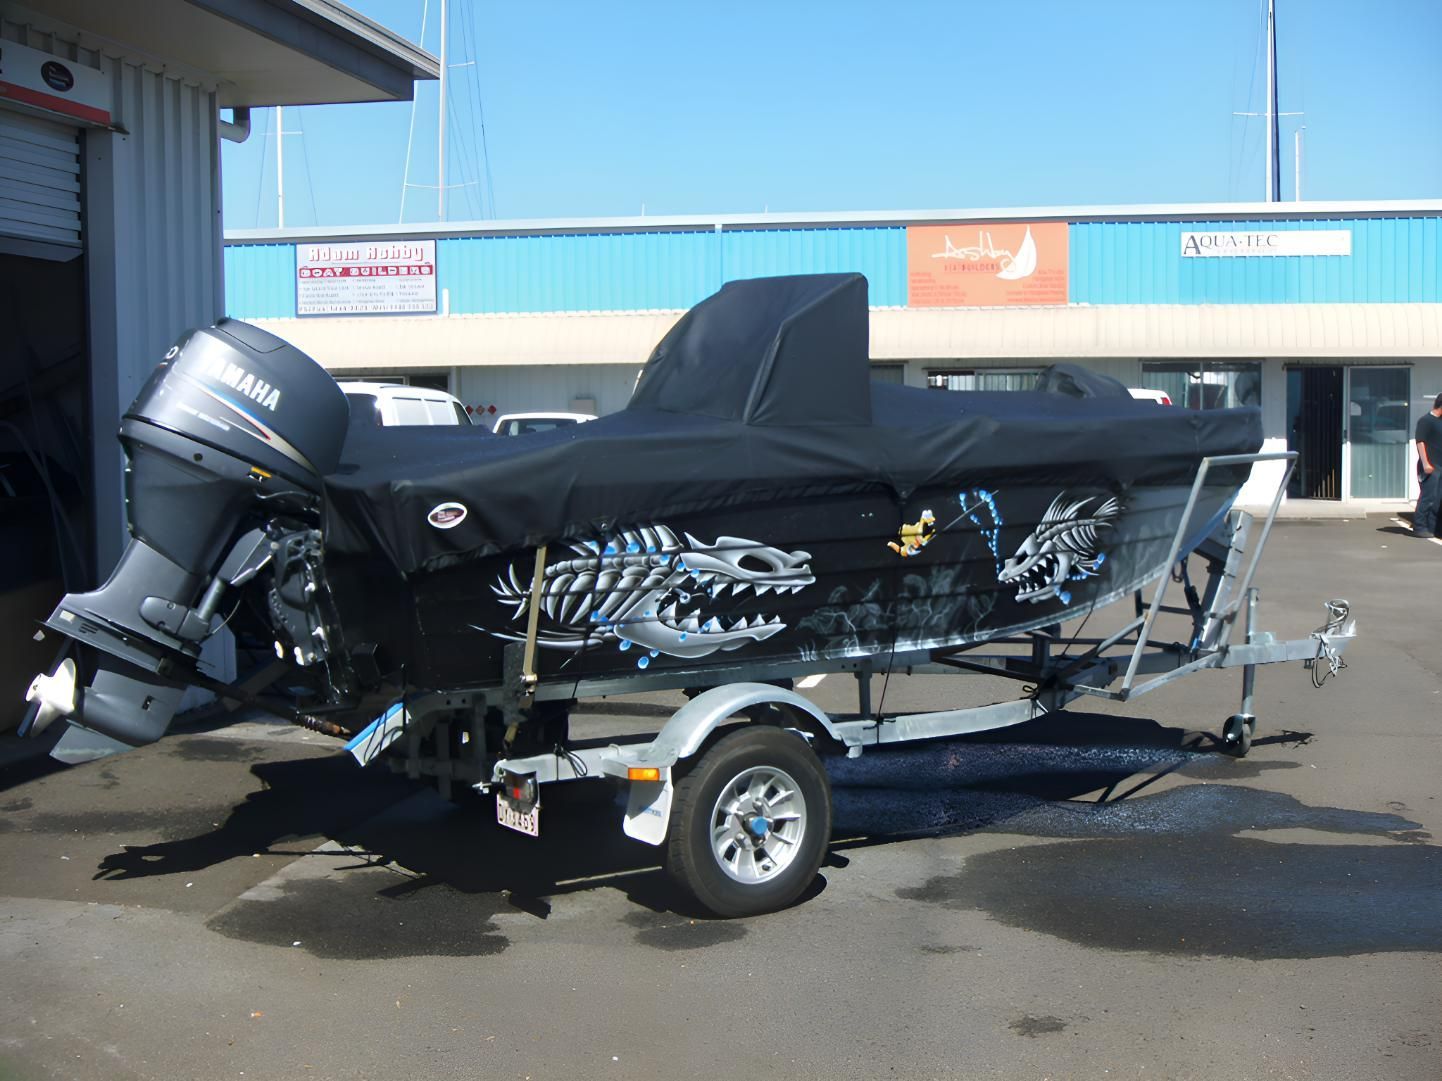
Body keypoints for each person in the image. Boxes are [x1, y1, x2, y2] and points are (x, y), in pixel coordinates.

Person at [1413, 393, 1442, 538]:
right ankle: (1419, 527)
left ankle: (1432, 528)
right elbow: (1420, 442)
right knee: (1428, 498)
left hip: (1440, 467)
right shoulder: (1426, 421)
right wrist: (1425, 463)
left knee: (1438, 500)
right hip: (1430, 466)